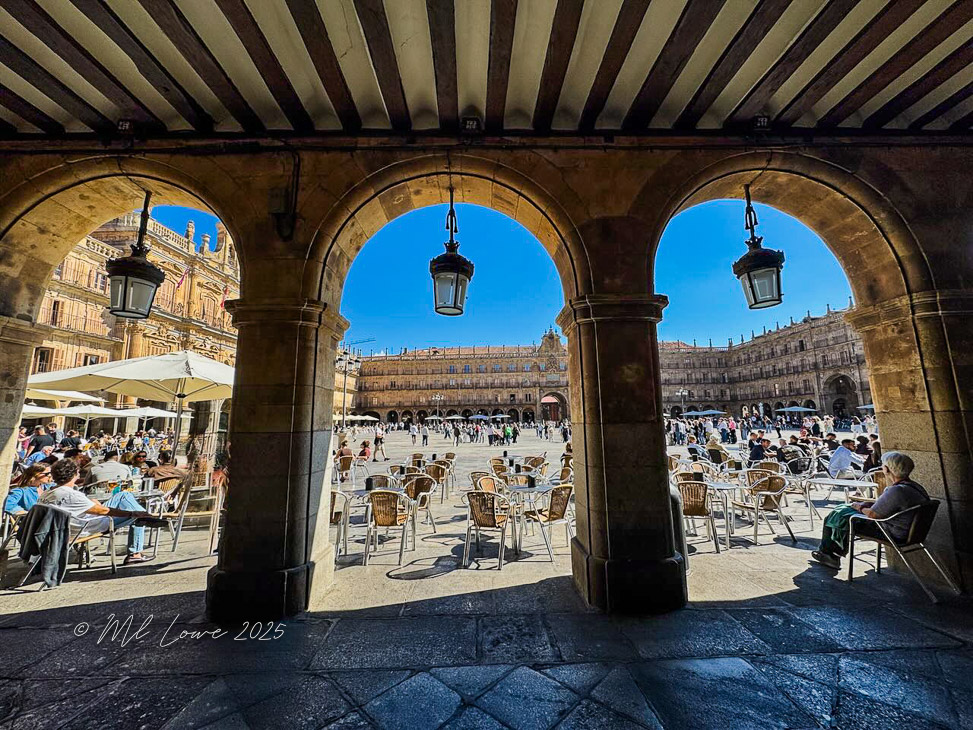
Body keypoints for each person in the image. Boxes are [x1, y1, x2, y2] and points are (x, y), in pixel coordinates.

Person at [812, 451, 930, 569]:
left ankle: (830, 554)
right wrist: (868, 504)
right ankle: (832, 553)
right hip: (911, 532)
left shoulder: (897, 491)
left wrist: (860, 507)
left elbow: (873, 514)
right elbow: (889, 506)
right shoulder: (915, 487)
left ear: (887, 470)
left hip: (892, 533)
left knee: (840, 515)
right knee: (842, 510)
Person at [39, 458, 163, 565]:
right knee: (137, 515)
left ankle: (145, 516)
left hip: (66, 527)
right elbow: (103, 511)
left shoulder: (47, 494)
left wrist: (92, 503)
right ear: (75, 474)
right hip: (88, 526)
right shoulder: (71, 494)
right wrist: (131, 514)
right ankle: (136, 550)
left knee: (123, 495)